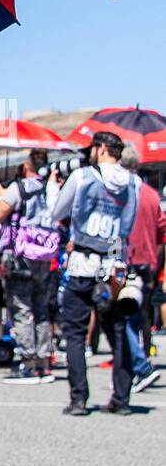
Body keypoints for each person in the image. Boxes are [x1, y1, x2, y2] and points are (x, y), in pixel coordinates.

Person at [50, 133, 139, 415]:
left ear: (101, 149)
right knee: (118, 330)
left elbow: (57, 212)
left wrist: (53, 188)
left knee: (75, 333)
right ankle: (121, 400)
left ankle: (79, 400)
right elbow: (130, 223)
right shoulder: (134, 181)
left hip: (83, 262)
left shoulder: (83, 176)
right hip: (114, 263)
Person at [0, 149, 61, 384]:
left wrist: (2, 196)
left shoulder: (19, 188)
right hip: (44, 256)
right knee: (41, 308)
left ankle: (27, 362)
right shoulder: (51, 188)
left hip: (20, 256)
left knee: (21, 309)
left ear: (28, 166)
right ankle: (43, 361)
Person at [120, 147, 163, 392]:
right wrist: (155, 263)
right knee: (138, 317)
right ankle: (138, 362)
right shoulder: (151, 194)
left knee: (123, 317)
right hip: (147, 263)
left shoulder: (122, 193)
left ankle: (141, 366)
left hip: (127, 263)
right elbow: (162, 232)